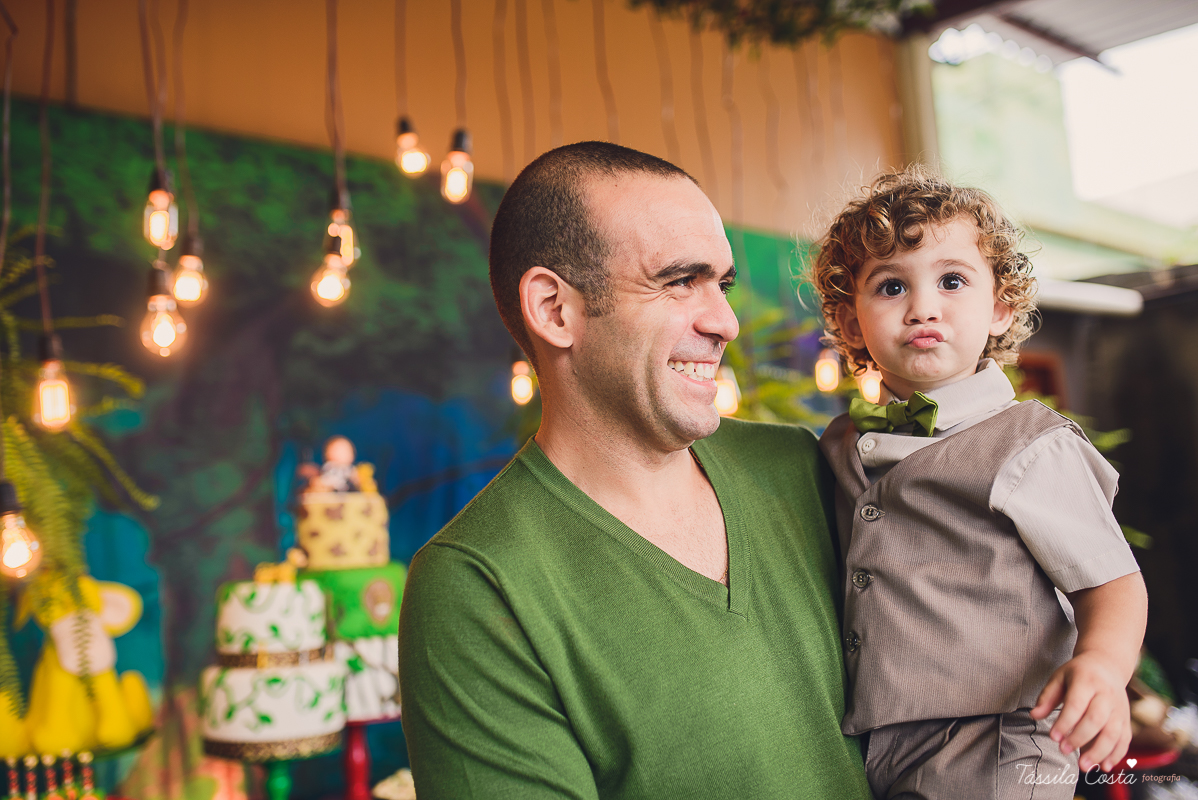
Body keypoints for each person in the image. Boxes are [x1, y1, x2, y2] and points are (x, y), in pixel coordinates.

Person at [398, 142, 873, 799]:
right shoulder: (477, 584)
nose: (726, 322)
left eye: (723, 284)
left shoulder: (802, 467)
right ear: (554, 310)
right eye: (680, 280)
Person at [811, 167, 1148, 799]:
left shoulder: (1031, 444)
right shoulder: (842, 446)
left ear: (1001, 308)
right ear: (851, 324)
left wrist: (1102, 667)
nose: (923, 307)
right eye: (889, 286)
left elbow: (1113, 581)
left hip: (998, 738)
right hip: (879, 743)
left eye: (952, 281)